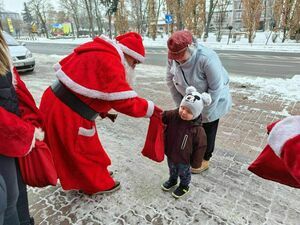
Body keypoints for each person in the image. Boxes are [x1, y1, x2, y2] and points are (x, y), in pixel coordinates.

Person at [39, 32, 160, 194]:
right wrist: (151, 109)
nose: (134, 66)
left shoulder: (103, 52)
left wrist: (103, 111)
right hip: (67, 111)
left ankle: (93, 176)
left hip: (60, 104)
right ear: (126, 54)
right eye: (134, 62)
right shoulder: (111, 59)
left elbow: (92, 86)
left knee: (80, 148)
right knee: (83, 150)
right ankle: (96, 184)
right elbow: (123, 101)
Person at [166, 30, 232, 173]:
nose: (177, 61)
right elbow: (170, 82)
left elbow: (216, 88)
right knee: (191, 130)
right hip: (190, 100)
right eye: (175, 57)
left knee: (207, 130)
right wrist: (181, 107)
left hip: (211, 100)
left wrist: (204, 115)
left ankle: (205, 159)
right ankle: (193, 154)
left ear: (190, 48)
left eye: (181, 57)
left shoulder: (206, 58)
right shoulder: (172, 58)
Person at [0, 29, 43, 225]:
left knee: (14, 194)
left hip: (9, 136)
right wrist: (24, 132)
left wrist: (30, 121)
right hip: (6, 134)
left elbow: (15, 91)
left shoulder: (4, 53)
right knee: (6, 201)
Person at [161, 86, 211, 198]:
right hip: (171, 152)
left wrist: (196, 163)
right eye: (182, 108)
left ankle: (184, 186)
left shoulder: (198, 130)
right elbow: (163, 115)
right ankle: (172, 180)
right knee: (172, 168)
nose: (183, 112)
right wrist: (157, 116)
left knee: (184, 173)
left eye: (189, 111)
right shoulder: (175, 115)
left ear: (196, 114)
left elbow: (201, 147)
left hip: (184, 158)